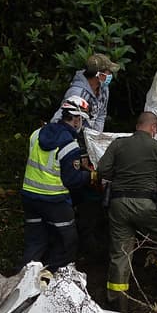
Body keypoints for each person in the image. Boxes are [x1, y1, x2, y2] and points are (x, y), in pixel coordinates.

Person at [95, 112, 157, 312]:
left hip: (119, 204)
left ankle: (118, 302)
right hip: (146, 203)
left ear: (137, 125)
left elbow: (102, 169)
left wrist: (120, 176)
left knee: (121, 252)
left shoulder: (118, 144)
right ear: (154, 128)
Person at [22, 96, 96, 272]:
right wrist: (91, 176)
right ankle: (52, 279)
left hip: (29, 197)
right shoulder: (69, 145)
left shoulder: (36, 134)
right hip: (55, 201)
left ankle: (24, 279)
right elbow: (72, 180)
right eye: (82, 120)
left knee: (35, 242)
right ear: (76, 119)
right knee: (67, 243)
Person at [50, 53, 119, 132]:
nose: (111, 75)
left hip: (90, 135)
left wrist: (97, 135)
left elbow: (101, 115)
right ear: (99, 74)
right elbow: (58, 119)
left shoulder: (104, 89)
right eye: (109, 72)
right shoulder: (77, 92)